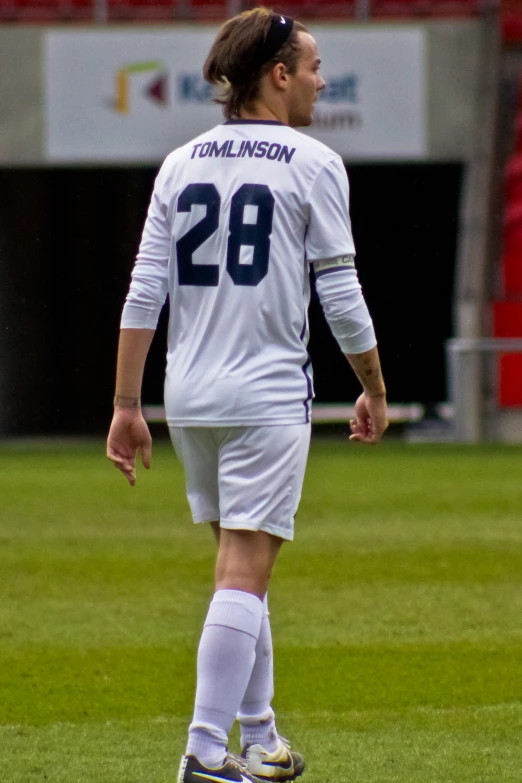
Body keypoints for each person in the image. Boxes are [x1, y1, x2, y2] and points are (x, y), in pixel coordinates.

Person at [107, 7, 388, 783]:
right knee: (244, 571)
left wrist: (128, 404)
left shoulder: (179, 161)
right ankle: (201, 751)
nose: (322, 80)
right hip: (265, 394)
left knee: (239, 563)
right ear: (278, 74)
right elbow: (341, 291)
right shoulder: (313, 162)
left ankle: (260, 733)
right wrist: (374, 385)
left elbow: (144, 291)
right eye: (314, 65)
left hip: (189, 395)